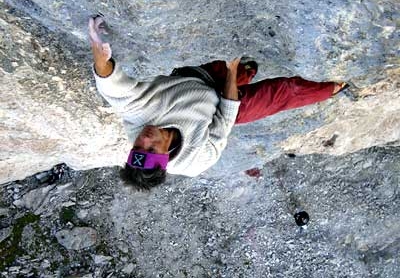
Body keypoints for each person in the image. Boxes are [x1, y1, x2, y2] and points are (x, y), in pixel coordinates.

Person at [89, 15, 347, 190]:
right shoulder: (196, 162)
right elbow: (224, 121)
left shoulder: (140, 118)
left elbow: (114, 89)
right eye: (151, 149)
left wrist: (100, 53)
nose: (145, 140)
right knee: (282, 93)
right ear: (165, 157)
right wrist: (231, 72)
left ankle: (246, 70)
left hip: (197, 77)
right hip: (222, 108)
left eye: (138, 148)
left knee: (249, 67)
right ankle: (332, 88)